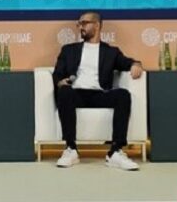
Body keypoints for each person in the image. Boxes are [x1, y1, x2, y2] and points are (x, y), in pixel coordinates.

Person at [51, 11, 143, 170]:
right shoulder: (69, 50)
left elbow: (127, 62)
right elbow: (57, 73)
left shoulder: (111, 52)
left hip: (100, 94)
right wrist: (60, 82)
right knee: (65, 92)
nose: (81, 27)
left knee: (123, 95)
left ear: (97, 25)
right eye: (79, 24)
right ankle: (71, 149)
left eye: (84, 23)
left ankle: (115, 152)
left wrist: (136, 64)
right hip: (76, 93)